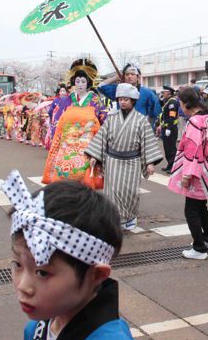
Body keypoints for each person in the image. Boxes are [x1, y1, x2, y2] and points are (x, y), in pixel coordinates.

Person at [2, 170, 155, 340]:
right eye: (17, 265)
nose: (23, 286)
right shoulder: (37, 330)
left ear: (96, 275)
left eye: (42, 272)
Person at [85, 83, 163, 231]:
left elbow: (148, 141)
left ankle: (130, 216)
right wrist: (95, 155)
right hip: (112, 160)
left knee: (131, 192)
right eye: (120, 99)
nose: (122, 102)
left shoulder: (141, 120)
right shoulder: (112, 118)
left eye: (126, 99)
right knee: (111, 192)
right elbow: (102, 137)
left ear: (133, 100)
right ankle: (114, 219)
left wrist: (150, 163)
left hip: (132, 161)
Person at [168, 87, 208, 260]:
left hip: (197, 170)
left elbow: (192, 149)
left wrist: (187, 174)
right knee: (201, 207)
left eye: (181, 103)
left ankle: (199, 247)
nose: (180, 107)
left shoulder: (195, 122)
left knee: (191, 210)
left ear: (187, 103)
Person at [42, 63, 107, 184]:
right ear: (73, 82)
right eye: (77, 81)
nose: (80, 84)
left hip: (88, 143)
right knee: (65, 171)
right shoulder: (69, 98)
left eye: (83, 81)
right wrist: (57, 139)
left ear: (88, 82)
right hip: (68, 142)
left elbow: (104, 118)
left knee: (85, 174)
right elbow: (59, 119)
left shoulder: (94, 99)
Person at [157, 85, 179, 172]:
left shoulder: (172, 103)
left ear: (168, 93)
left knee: (171, 149)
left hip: (170, 129)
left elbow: (172, 116)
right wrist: (160, 99)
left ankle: (174, 166)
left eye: (164, 92)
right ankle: (170, 165)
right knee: (167, 148)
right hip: (165, 128)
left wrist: (169, 128)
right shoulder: (168, 101)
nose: (163, 93)